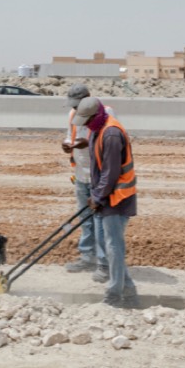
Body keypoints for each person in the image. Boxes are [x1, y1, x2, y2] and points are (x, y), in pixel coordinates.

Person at [72, 95, 138, 307]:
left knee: (113, 247)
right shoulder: (97, 129)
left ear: (96, 115)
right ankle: (128, 290)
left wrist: (98, 196)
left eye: (87, 121)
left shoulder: (111, 134)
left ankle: (114, 294)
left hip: (118, 197)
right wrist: (96, 194)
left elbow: (110, 172)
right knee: (111, 246)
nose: (85, 126)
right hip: (107, 195)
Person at [61, 84, 106, 277]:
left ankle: (103, 262)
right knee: (85, 218)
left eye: (77, 104)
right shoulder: (72, 115)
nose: (74, 108)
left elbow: (105, 141)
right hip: (80, 174)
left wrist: (86, 144)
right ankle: (87, 257)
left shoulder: (105, 113)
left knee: (101, 220)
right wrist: (67, 144)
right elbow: (69, 135)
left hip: (98, 174)